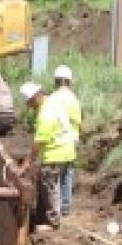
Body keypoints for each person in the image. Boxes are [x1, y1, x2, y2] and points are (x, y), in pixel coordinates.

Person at [17, 81, 77, 231]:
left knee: (50, 186)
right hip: (67, 151)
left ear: (35, 97)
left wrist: (25, 164)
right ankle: (61, 213)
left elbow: (38, 144)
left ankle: (53, 222)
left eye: (30, 103)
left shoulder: (46, 114)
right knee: (61, 183)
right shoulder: (53, 103)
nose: (30, 106)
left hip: (55, 154)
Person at [46, 65, 82, 217]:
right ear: (70, 81)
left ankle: (55, 209)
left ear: (55, 81)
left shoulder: (52, 99)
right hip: (71, 142)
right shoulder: (74, 99)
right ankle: (65, 207)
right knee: (67, 175)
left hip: (56, 144)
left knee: (54, 180)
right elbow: (78, 122)